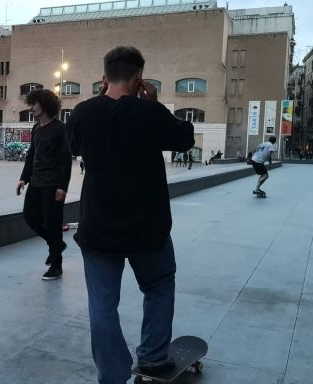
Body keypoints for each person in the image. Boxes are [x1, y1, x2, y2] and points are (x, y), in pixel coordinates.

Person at [65, 46, 194, 384]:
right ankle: (152, 358)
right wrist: (153, 105)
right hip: (147, 228)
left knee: (102, 305)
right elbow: (184, 138)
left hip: (98, 229)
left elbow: (73, 146)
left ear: (104, 77)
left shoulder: (83, 112)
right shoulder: (150, 113)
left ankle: (111, 374)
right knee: (159, 286)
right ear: (140, 79)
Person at [16, 89, 72, 281]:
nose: (31, 108)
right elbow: (32, 155)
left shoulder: (59, 129)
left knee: (53, 224)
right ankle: (56, 245)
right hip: (36, 182)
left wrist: (62, 187)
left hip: (53, 184)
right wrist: (23, 178)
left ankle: (56, 266)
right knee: (30, 216)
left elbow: (65, 159)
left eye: (34, 104)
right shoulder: (36, 128)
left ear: (45, 105)